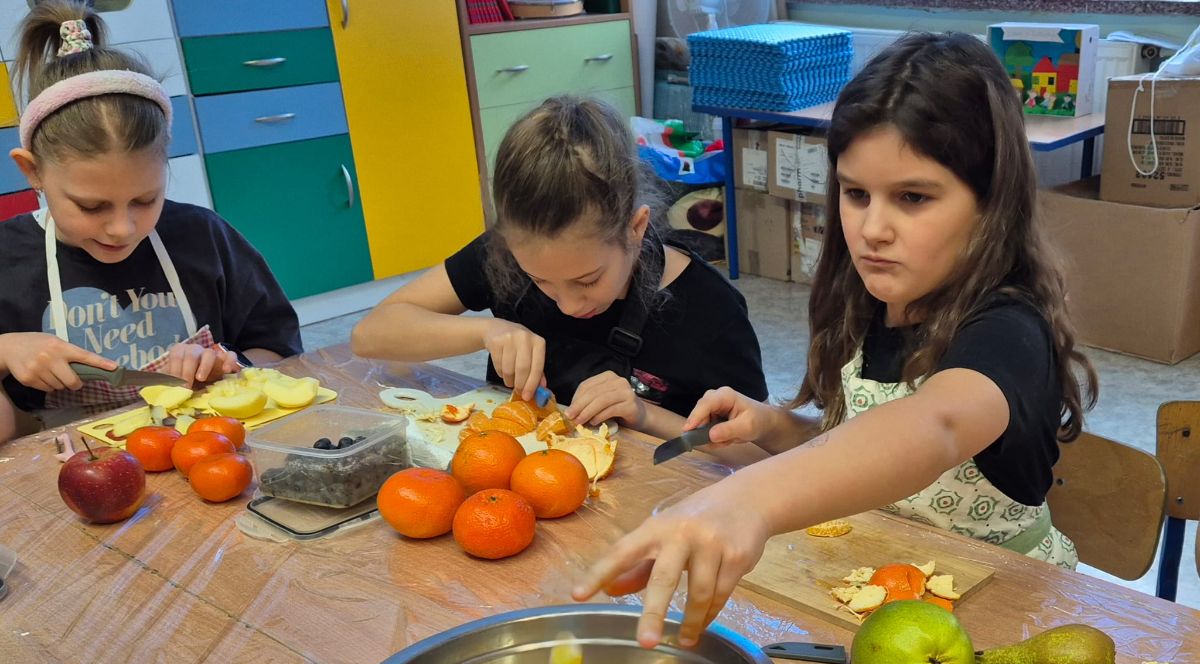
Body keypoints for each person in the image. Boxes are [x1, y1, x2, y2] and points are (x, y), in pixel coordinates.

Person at [574, 32, 1099, 647]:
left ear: (992, 203)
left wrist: (750, 499)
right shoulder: (873, 303)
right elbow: (863, 446)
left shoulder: (1011, 329)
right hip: (883, 592)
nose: (872, 229)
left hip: (1006, 616)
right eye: (856, 193)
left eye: (912, 197)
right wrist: (776, 427)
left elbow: (935, 427)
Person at [351, 95, 768, 438]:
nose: (567, 304)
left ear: (635, 229)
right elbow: (370, 335)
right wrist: (486, 331)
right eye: (538, 280)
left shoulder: (710, 310)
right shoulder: (507, 254)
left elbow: (761, 457)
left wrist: (646, 415)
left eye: (587, 280)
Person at [0, 1, 302, 444]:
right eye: (91, 206)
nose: (122, 228)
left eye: (145, 199)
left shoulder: (203, 237)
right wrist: (5, 350)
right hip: (66, 465)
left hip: (204, 450)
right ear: (33, 172)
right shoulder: (7, 257)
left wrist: (234, 367)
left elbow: (279, 349)